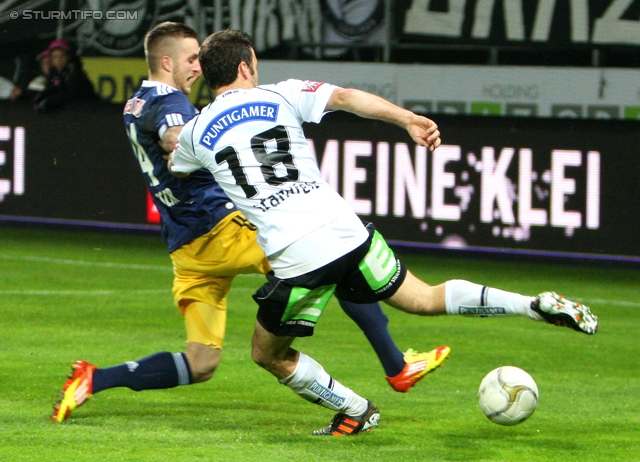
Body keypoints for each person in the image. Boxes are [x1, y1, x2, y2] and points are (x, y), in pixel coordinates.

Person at [168, 29, 599, 436]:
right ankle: (531, 305)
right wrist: (407, 119)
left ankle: (356, 410)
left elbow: (177, 166)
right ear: (246, 67)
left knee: (267, 354)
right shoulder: (280, 94)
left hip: (296, 254)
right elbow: (348, 98)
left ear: (210, 75)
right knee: (424, 297)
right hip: (346, 231)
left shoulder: (194, 133)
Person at [50, 22, 449, 423]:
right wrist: (184, 138)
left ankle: (94, 379)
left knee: (201, 361)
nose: (198, 69)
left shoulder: (135, 101)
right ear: (166, 61)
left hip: (186, 248)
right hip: (221, 229)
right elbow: (174, 135)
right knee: (331, 253)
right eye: (191, 60)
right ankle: (397, 365)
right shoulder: (173, 103)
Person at [33, 39, 97, 113]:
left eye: (62, 56)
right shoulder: (54, 72)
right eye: (55, 57)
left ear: (68, 57)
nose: (58, 60)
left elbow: (70, 94)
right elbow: (51, 88)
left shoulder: (74, 71)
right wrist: (38, 99)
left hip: (86, 110)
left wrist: (48, 102)